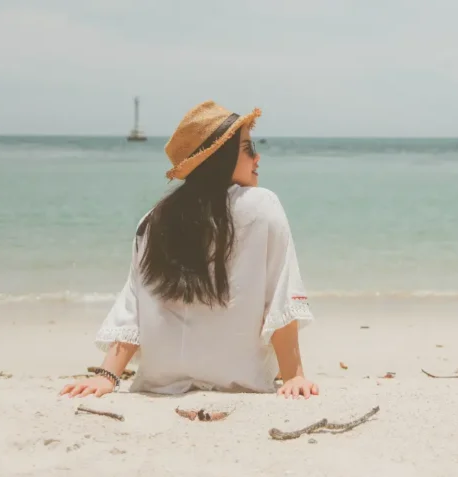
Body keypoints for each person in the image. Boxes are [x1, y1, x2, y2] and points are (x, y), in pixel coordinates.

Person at [60, 100, 319, 399]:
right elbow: (280, 293)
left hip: (160, 382)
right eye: (247, 148)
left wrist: (107, 377)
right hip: (237, 380)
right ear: (220, 158)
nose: (257, 157)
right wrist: (294, 377)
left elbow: (134, 303)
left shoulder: (154, 219)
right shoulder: (262, 205)